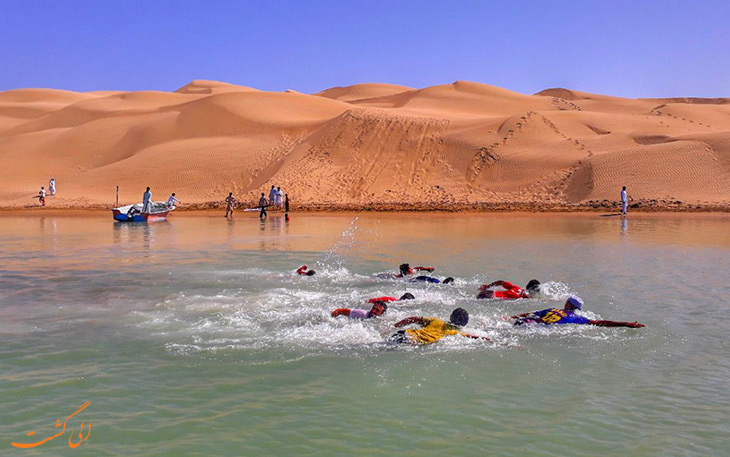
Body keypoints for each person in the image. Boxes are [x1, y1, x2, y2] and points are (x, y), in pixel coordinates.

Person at [510, 295, 645, 328]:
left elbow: (529, 313)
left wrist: (510, 316)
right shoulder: (577, 319)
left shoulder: (552, 309)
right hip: (538, 329)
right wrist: (626, 324)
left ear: (567, 303)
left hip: (526, 322)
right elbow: (601, 322)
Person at [390, 308, 490, 344]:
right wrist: (487, 339)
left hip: (403, 333)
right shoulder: (455, 332)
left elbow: (413, 319)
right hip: (409, 341)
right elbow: (471, 337)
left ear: (451, 317)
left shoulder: (435, 320)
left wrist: (396, 325)